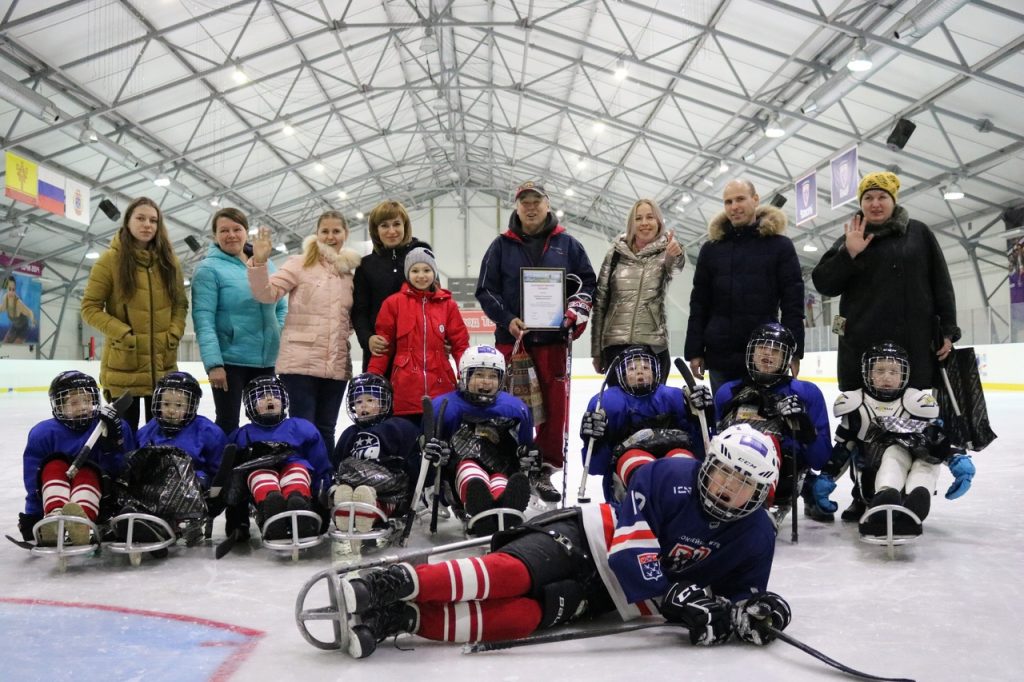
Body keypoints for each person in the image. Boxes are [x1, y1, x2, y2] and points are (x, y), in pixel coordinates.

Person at [335, 423, 790, 659]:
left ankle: (402, 617)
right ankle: (392, 582)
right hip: (590, 538)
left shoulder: (756, 536)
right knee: (512, 575)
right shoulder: (670, 474)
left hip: (610, 598)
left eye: (743, 483)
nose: (728, 488)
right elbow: (631, 549)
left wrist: (750, 614)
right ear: (708, 464)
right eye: (724, 472)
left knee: (521, 615)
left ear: (762, 492)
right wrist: (677, 598)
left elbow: (741, 598)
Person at [811, 171, 960, 520]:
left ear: (894, 200)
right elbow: (823, 283)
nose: (875, 204)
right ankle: (863, 495)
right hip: (860, 349)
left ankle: (908, 491)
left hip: (913, 349)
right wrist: (849, 253)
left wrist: (948, 329)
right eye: (868, 198)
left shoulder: (919, 233)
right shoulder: (853, 234)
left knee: (910, 422)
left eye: (882, 197)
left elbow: (941, 282)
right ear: (860, 203)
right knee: (862, 425)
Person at [476, 181, 597, 502]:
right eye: (524, 202)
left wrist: (574, 311)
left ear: (547, 204)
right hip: (512, 344)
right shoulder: (500, 245)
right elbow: (485, 291)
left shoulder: (568, 244)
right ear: (517, 207)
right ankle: (509, 465)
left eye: (536, 201)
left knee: (553, 411)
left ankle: (544, 470)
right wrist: (507, 320)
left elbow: (588, 283)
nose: (530, 207)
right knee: (508, 408)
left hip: (554, 344)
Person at [808, 342, 974, 537]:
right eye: (879, 370)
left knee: (926, 462)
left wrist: (956, 458)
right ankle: (886, 497)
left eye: (894, 371)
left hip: (913, 459)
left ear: (904, 374)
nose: (886, 377)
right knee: (894, 453)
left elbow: (934, 441)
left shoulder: (917, 402)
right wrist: (827, 477)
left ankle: (917, 497)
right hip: (871, 474)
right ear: (867, 373)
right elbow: (844, 448)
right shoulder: (855, 404)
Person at [248, 211, 362, 449]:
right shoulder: (299, 264)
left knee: (326, 428)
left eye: (336, 231)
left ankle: (324, 479)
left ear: (345, 234)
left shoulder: (349, 274)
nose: (330, 237)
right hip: (300, 363)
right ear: (317, 234)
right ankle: (301, 479)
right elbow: (266, 294)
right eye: (325, 231)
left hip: (336, 363)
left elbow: (351, 316)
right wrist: (259, 263)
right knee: (302, 427)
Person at [684, 179, 804, 398]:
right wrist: (694, 350)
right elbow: (699, 302)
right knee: (724, 424)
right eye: (728, 201)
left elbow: (793, 303)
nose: (734, 206)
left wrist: (794, 352)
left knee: (764, 423)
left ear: (755, 199)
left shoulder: (780, 246)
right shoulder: (711, 250)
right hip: (720, 355)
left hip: (766, 354)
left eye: (740, 199)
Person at [80, 197, 188, 431]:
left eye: (153, 220)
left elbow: (180, 304)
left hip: (163, 365)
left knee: (161, 437)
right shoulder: (110, 261)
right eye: (140, 218)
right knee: (123, 439)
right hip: (123, 366)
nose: (147, 225)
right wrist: (123, 333)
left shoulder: (170, 263)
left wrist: (174, 333)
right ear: (128, 221)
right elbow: (90, 308)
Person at [713, 323, 831, 524]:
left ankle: (762, 506)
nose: (767, 354)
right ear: (751, 352)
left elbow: (819, 461)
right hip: (731, 473)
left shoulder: (806, 393)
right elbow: (711, 446)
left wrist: (806, 429)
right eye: (761, 348)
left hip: (782, 476)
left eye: (776, 350)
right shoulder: (728, 392)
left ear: (787, 358)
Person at [191, 207, 286, 435]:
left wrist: (277, 331)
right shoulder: (208, 269)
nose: (231, 235)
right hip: (231, 362)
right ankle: (222, 469)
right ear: (215, 235)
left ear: (246, 232)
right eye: (224, 230)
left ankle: (262, 466)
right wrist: (214, 364)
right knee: (227, 422)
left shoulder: (266, 264)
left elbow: (281, 305)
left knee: (269, 420)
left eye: (237, 229)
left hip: (266, 361)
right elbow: (204, 320)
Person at [429, 345, 536, 537]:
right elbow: (429, 456)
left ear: (502, 379)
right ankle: (480, 509)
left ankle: (498, 511)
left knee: (502, 480)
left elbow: (525, 449)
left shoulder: (515, 408)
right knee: (472, 474)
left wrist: (530, 455)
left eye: (493, 376)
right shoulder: (443, 407)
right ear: (464, 376)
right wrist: (437, 455)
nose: (486, 382)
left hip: (501, 468)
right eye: (479, 374)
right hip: (459, 470)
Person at [18, 371, 135, 546]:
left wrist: (113, 446)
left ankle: (81, 524)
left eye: (87, 401)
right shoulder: (43, 433)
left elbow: (124, 474)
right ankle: (54, 518)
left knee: (89, 470)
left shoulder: (111, 427)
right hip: (52, 498)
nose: (82, 407)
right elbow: (34, 480)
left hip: (100, 501)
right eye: (74, 402)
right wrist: (33, 515)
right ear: (59, 406)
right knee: (53, 465)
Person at [112, 371, 227, 549]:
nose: (172, 410)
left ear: (191, 406)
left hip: (191, 486)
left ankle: (166, 527)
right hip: (156, 487)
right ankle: (145, 524)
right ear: (157, 404)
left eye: (179, 405)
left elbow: (218, 469)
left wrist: (213, 496)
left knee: (176, 470)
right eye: (166, 404)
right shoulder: (147, 431)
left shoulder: (208, 431)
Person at [580, 345, 707, 503]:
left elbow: (702, 454)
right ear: (622, 375)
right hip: (629, 471)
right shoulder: (609, 402)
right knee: (641, 469)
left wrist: (703, 417)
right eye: (632, 368)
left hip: (674, 455)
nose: (640, 371)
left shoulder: (674, 397)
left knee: (682, 465)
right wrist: (595, 441)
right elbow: (595, 467)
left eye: (646, 367)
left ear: (655, 373)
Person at [368, 247, 470, 422]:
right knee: (408, 441)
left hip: (441, 386)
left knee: (442, 439)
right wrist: (372, 376)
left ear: (434, 272)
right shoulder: (393, 303)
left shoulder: (448, 305)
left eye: (426, 270)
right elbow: (383, 346)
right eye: (415, 270)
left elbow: (460, 344)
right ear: (408, 274)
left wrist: (468, 374)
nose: (421, 275)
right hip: (405, 388)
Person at [226, 376, 333, 541]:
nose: (269, 398)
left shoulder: (300, 427)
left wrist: (322, 502)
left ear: (284, 401)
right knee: (260, 475)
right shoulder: (243, 434)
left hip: (293, 466)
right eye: (261, 396)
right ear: (250, 406)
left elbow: (319, 463)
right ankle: (271, 507)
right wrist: (236, 519)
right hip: (260, 471)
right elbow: (233, 476)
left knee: (297, 472)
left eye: (275, 395)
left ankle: (298, 503)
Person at [590, 199, 685, 382]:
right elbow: (600, 302)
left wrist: (676, 254)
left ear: (658, 221)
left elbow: (675, 268)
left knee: (655, 408)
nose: (644, 223)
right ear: (631, 223)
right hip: (615, 345)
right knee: (619, 407)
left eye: (650, 217)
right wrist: (596, 351)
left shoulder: (668, 250)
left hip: (653, 344)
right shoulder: (615, 253)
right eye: (638, 218)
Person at [331, 374, 422, 534]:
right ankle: (347, 510)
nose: (363, 406)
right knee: (345, 485)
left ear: (384, 402)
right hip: (354, 486)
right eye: (358, 401)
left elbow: (413, 463)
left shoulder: (399, 427)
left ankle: (369, 512)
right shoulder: (350, 433)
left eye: (370, 400)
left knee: (374, 497)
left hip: (389, 492)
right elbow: (337, 463)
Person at [352, 201, 432, 372]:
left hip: (418, 351)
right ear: (375, 230)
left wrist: (442, 337)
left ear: (405, 226)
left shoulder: (422, 256)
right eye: (384, 225)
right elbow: (359, 311)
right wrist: (368, 339)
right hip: (381, 352)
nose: (392, 231)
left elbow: (436, 300)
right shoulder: (365, 266)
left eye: (397, 224)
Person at [2, 275, 36, 344]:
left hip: (24, 328)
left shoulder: (18, 303)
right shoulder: (5, 297)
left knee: (15, 347)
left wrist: (32, 321)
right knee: (4, 344)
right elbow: (3, 308)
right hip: (14, 326)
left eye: (13, 289)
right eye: (9, 289)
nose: (11, 292)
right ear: (6, 288)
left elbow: (30, 312)